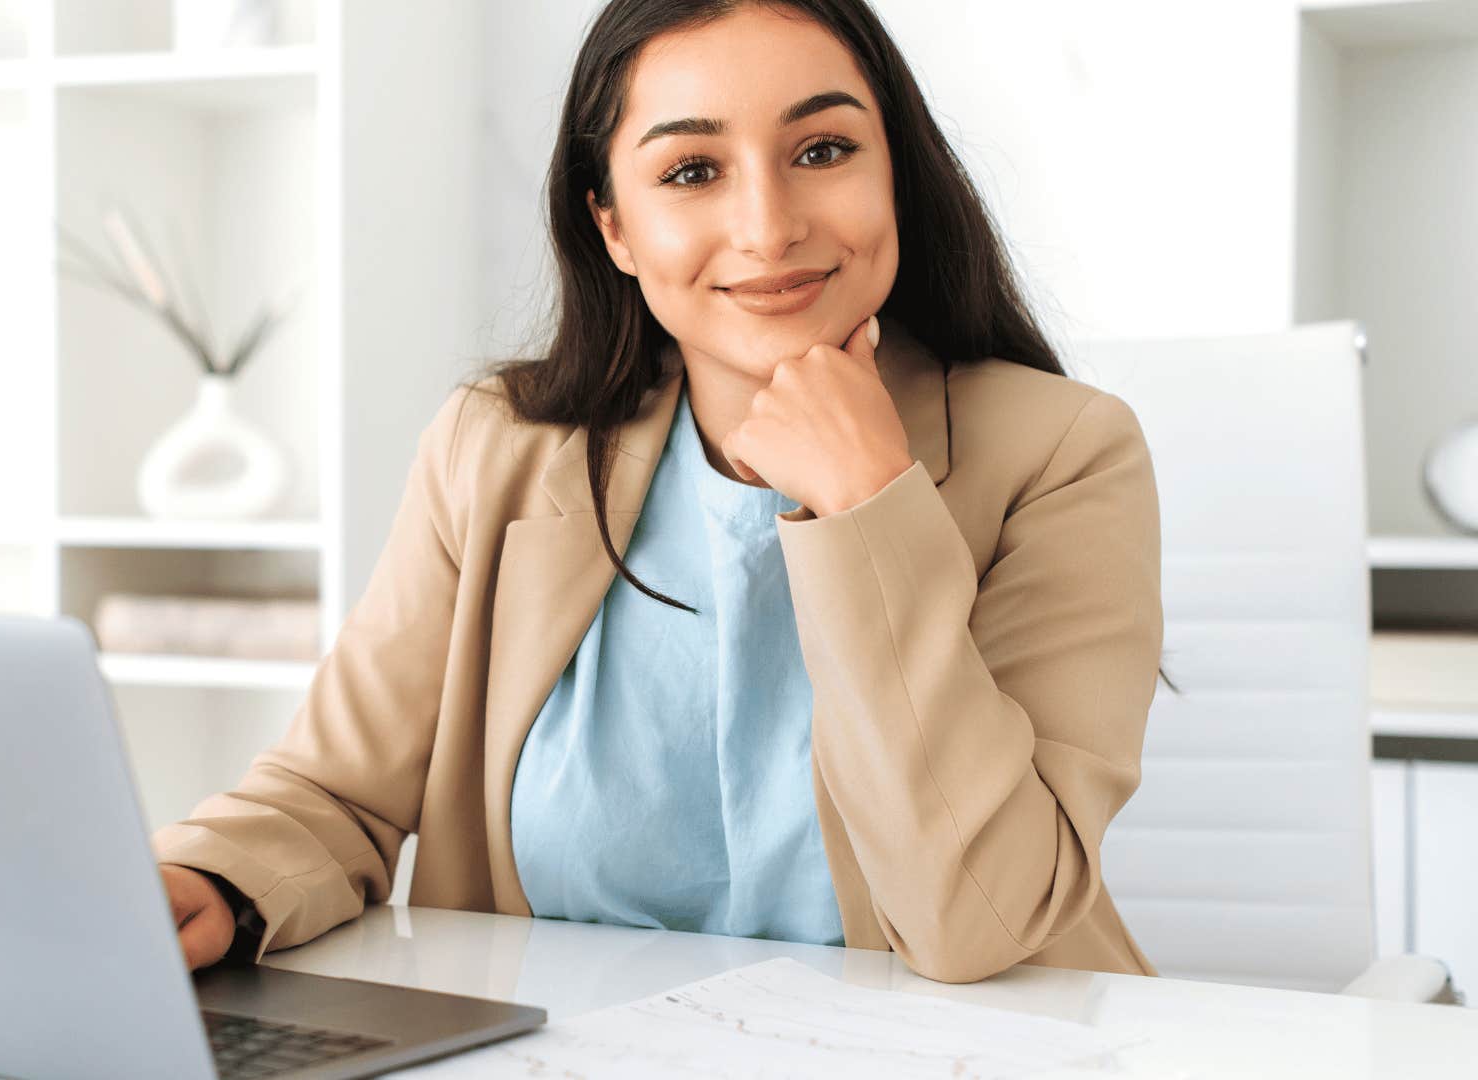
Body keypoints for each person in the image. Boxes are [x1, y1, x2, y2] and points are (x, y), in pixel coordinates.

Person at [156, 0, 1171, 985]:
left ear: (894, 171)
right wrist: (208, 879)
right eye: (692, 171)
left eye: (822, 150)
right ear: (615, 229)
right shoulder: (495, 450)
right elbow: (334, 793)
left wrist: (869, 501)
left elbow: (978, 918)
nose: (769, 228)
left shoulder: (1067, 455)